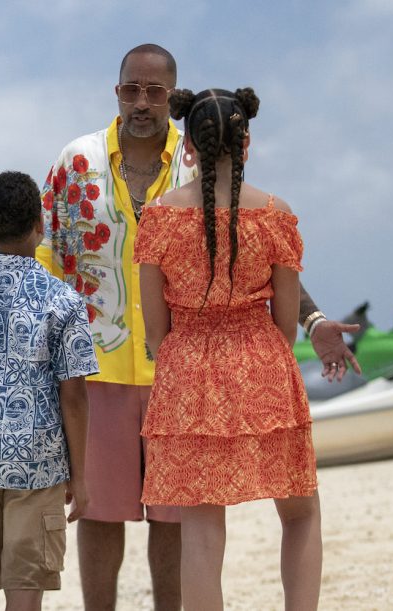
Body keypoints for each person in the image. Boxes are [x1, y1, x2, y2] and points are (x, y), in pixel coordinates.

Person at [36, 43, 357, 611]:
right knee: (104, 511)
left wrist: (310, 318)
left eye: (154, 91)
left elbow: (235, 270)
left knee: (185, 518)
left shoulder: (183, 180)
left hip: (177, 369)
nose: (141, 101)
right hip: (100, 362)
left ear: (174, 103)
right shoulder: (76, 161)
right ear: (117, 92)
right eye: (132, 89)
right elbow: (47, 259)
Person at [135, 87, 321, 610]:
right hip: (262, 359)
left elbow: (155, 331)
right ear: (246, 142)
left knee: (201, 528)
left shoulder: (160, 217)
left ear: (188, 144)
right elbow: (286, 323)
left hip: (188, 366)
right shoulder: (275, 214)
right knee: (300, 511)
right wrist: (259, 358)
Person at [0, 171, 99, 611]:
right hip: (37, 463)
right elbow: (75, 397)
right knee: (25, 587)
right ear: (40, 225)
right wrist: (80, 476)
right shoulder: (62, 301)